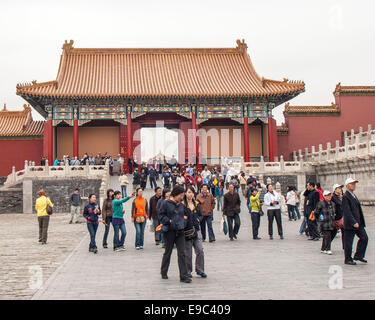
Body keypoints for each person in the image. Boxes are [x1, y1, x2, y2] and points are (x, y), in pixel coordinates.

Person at [159, 185, 191, 283]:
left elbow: (185, 215)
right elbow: (161, 215)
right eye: (181, 195)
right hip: (170, 231)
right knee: (168, 252)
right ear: (175, 194)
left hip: (180, 231)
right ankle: (163, 272)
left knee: (182, 253)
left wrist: (184, 222)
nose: (182, 197)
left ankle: (184, 275)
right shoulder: (165, 203)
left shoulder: (181, 205)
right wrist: (169, 221)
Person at [342, 178, 368, 265]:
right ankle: (348, 259)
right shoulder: (345, 196)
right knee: (348, 242)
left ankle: (359, 255)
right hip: (351, 223)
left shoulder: (353, 195)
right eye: (351, 184)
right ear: (347, 186)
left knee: (364, 238)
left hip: (358, 222)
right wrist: (353, 222)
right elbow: (347, 211)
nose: (353, 185)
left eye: (354, 184)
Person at [182, 186, 207, 278]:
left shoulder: (196, 203)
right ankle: (188, 271)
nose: (190, 194)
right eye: (189, 192)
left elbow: (201, 215)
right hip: (187, 231)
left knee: (200, 250)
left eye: (192, 192)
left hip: (196, 230)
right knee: (188, 253)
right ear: (185, 193)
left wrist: (198, 220)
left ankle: (200, 269)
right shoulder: (182, 204)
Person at [315, 190, 336, 255]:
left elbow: (334, 212)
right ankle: (328, 249)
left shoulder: (333, 203)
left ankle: (323, 248)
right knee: (327, 236)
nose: (329, 197)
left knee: (326, 236)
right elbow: (316, 212)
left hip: (331, 222)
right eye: (327, 195)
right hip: (324, 222)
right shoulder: (321, 203)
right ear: (324, 196)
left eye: (330, 195)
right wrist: (320, 218)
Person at [331, 183, 345, 249]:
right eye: (338, 188)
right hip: (336, 218)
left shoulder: (341, 196)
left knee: (345, 233)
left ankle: (345, 247)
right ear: (335, 190)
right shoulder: (333, 197)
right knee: (333, 233)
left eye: (340, 188)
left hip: (342, 217)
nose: (340, 189)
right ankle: (325, 246)